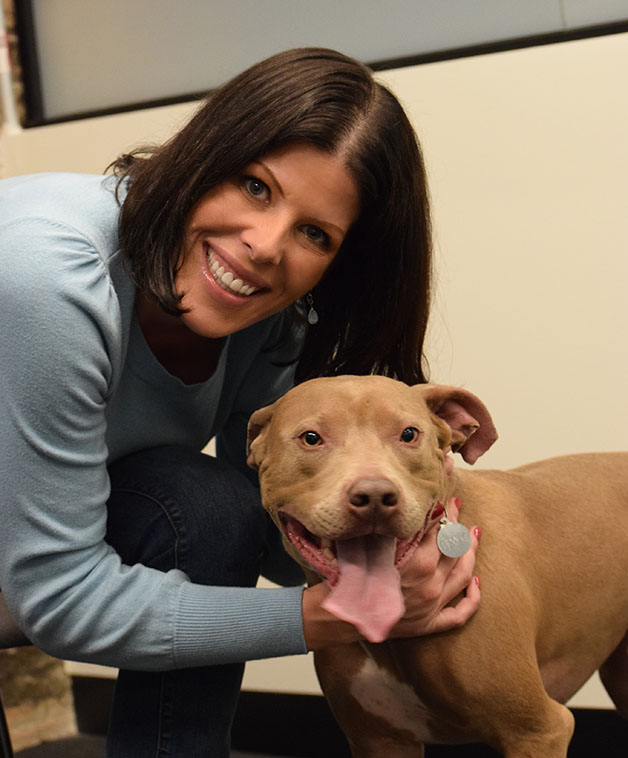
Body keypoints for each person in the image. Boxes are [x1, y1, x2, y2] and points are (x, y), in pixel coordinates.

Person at [0, 48, 481, 757]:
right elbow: (61, 601)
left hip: (32, 546)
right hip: (37, 574)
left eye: (314, 234)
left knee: (209, 501)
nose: (264, 246)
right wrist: (328, 618)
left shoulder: (269, 316)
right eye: (255, 187)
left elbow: (271, 526)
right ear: (206, 152)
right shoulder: (51, 276)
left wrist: (405, 547)